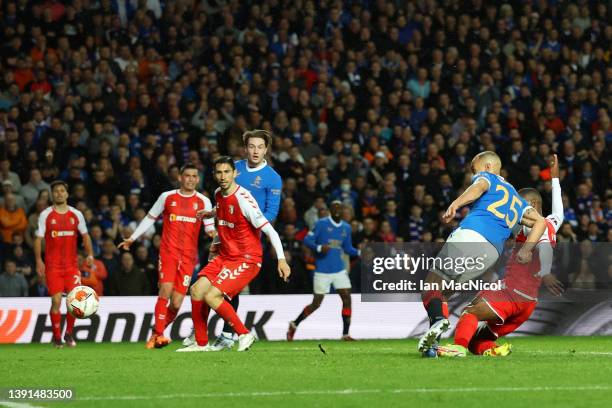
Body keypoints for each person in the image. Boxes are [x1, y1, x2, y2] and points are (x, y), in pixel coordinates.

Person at [418, 151, 548, 355]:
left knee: (431, 286)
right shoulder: (515, 196)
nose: (473, 174)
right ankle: (433, 346)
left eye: (474, 169)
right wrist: (527, 249)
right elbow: (541, 221)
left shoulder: (488, 178)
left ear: (487, 167)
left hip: (471, 236)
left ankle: (438, 321)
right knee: (445, 291)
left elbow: (479, 186)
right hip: (491, 252)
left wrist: (456, 204)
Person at [176, 156, 290, 352]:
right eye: (219, 172)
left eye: (227, 172)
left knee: (211, 296)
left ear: (235, 173)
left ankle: (244, 334)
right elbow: (223, 210)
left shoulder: (244, 200)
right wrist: (211, 213)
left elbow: (270, 231)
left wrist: (281, 260)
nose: (223, 176)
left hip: (247, 259)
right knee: (196, 290)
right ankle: (200, 343)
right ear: (214, 175)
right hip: (226, 256)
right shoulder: (218, 194)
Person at [118, 163, 215, 349]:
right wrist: (132, 238)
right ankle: (161, 335)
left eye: (195, 176)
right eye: (187, 175)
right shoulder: (167, 197)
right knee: (165, 290)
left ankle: (156, 332)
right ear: (180, 177)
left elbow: (210, 229)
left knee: (177, 303)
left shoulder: (204, 201)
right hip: (168, 253)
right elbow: (149, 218)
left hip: (188, 258)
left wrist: (217, 237)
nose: (191, 179)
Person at [287, 200, 361, 341]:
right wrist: (320, 248)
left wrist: (359, 252)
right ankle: (294, 324)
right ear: (330, 210)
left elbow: (347, 248)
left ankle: (345, 334)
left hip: (339, 269)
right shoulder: (321, 224)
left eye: (339, 207)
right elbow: (307, 240)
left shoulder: (346, 227)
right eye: (334, 207)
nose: (337, 210)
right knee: (316, 303)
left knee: (347, 298)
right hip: (322, 270)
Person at [34, 180, 94, 348]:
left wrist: (89, 254)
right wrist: (39, 260)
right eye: (56, 191)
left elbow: (86, 236)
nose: (59, 193)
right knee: (56, 301)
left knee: (74, 302)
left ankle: (69, 334)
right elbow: (38, 239)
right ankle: (57, 337)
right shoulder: (46, 215)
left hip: (72, 267)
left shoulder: (76, 214)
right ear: (52, 195)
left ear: (67, 194)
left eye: (62, 191)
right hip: (53, 267)